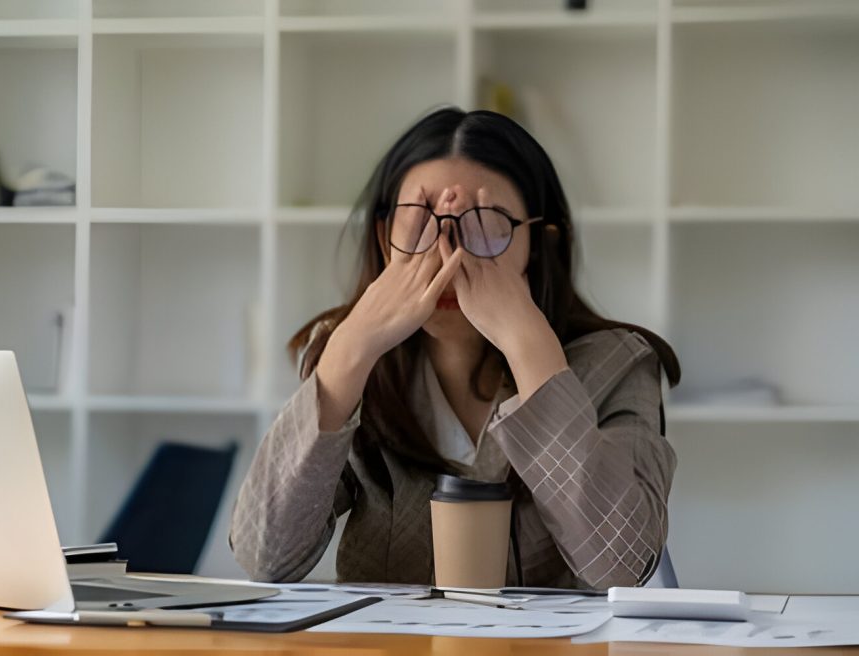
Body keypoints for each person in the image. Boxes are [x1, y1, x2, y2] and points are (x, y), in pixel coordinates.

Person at [229, 107, 680, 590]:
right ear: (385, 241)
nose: (448, 255)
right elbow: (264, 557)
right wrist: (350, 349)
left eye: (484, 224)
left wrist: (531, 349)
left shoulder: (617, 364)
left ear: (540, 243)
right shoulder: (353, 362)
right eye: (420, 223)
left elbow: (623, 566)